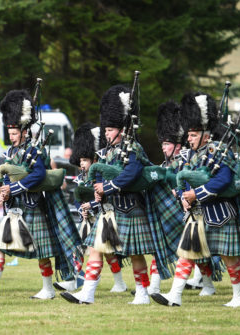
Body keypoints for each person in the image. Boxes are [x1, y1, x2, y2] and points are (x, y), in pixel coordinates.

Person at [151, 92, 240, 308]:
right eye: (188, 134)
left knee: (229, 257)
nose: (188, 138)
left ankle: (239, 297)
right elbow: (184, 179)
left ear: (205, 135)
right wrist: (184, 197)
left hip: (220, 214)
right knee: (187, 254)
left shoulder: (219, 151)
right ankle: (175, 296)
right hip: (196, 214)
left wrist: (196, 194)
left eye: (193, 134)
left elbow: (223, 181)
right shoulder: (189, 155)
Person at [61, 85, 184, 305]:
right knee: (96, 249)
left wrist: (108, 188)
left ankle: (142, 293)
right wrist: (98, 190)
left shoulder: (133, 147)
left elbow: (132, 173)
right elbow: (100, 172)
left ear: (122, 128)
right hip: (109, 210)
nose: (106, 134)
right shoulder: (107, 151)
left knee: (135, 254)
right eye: (105, 130)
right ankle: (87, 293)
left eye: (110, 130)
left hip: (130, 208)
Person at [0, 89, 81, 300]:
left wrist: (15, 188)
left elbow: (38, 175)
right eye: (9, 134)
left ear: (24, 131)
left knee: (43, 252)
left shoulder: (34, 151)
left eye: (14, 134)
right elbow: (10, 176)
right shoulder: (10, 152)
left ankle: (47, 289)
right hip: (15, 209)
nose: (11, 138)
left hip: (33, 206)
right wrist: (6, 191)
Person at [146, 101, 216, 297]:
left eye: (167, 144)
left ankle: (208, 284)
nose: (163, 148)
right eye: (162, 144)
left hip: (185, 210)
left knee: (195, 250)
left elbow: (188, 181)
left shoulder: (184, 160)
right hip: (169, 211)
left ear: (177, 145)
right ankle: (154, 286)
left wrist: (181, 194)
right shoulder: (163, 164)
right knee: (160, 247)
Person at [54, 122, 126, 293]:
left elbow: (105, 196)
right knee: (77, 249)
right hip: (86, 220)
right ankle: (73, 280)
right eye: (80, 161)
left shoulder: (100, 174)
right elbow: (78, 200)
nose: (82, 164)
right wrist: (81, 209)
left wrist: (91, 205)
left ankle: (119, 283)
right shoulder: (81, 177)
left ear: (94, 160)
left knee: (107, 253)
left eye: (85, 160)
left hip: (102, 216)